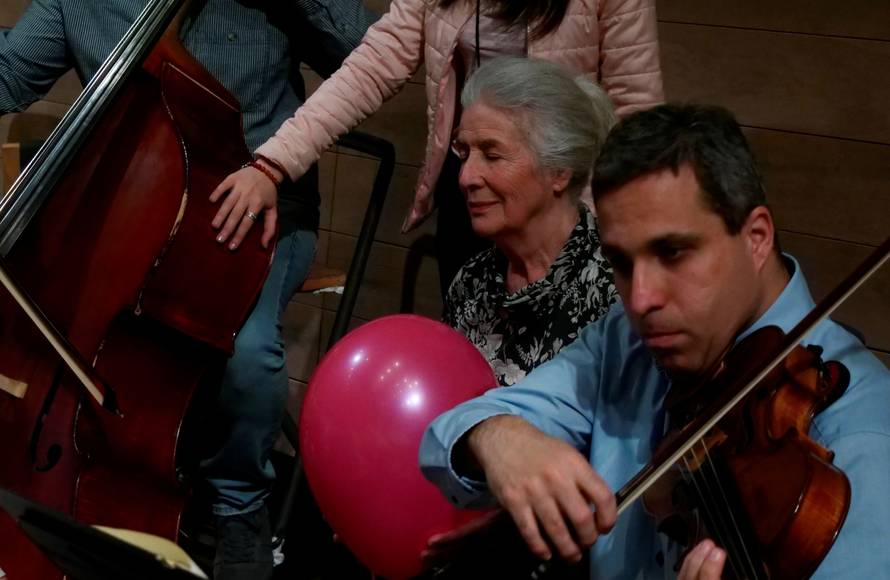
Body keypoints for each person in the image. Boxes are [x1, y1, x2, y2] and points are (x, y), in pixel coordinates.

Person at [419, 103, 890, 578]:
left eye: (672, 252)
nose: (640, 299)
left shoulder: (860, 445)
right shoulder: (626, 343)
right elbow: (450, 431)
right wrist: (502, 437)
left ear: (756, 237)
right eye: (621, 262)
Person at [0, 1, 377, 578]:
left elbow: (370, 54)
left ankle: (240, 511)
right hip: (133, 207)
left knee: (248, 353)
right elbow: (10, 74)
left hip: (263, 210)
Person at [214, 0, 663, 297]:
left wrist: (618, 228)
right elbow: (373, 65)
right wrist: (272, 163)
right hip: (474, 177)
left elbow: (636, 108)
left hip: (565, 198)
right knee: (472, 348)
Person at [443, 56, 617, 387]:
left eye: (492, 156)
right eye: (464, 154)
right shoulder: (471, 282)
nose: (466, 178)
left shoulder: (613, 290)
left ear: (559, 171)